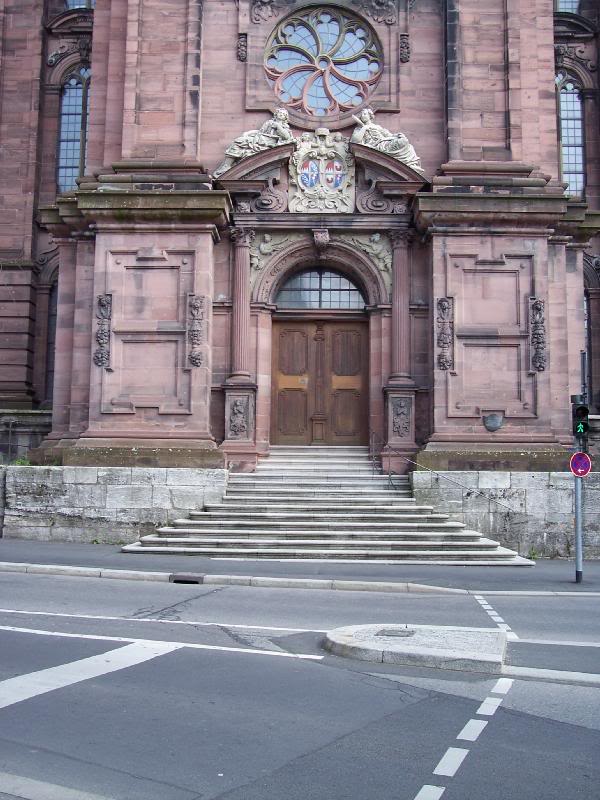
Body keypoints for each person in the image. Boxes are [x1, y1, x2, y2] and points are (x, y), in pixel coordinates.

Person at [213, 109, 295, 177]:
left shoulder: (285, 127)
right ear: (276, 114)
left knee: (242, 142)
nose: (281, 114)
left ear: (285, 118)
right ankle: (226, 165)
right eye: (280, 113)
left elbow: (287, 136)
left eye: (283, 114)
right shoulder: (268, 123)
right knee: (239, 141)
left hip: (270, 143)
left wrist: (278, 126)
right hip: (260, 139)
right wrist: (249, 133)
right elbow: (260, 132)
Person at [351, 108, 424, 173]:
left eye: (364, 114)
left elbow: (388, 135)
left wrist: (398, 136)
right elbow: (355, 141)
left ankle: (411, 166)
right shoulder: (359, 129)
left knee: (406, 144)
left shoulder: (377, 127)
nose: (362, 116)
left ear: (370, 116)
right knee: (402, 143)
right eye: (361, 114)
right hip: (376, 147)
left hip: (384, 142)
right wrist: (364, 128)